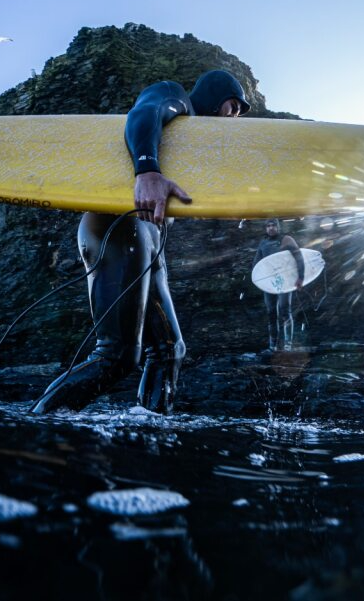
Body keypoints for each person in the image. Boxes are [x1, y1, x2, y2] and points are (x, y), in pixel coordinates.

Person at [30, 70, 250, 414]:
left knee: (170, 350)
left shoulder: (194, 152)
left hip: (149, 242)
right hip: (119, 228)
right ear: (214, 95)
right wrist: (147, 171)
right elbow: (143, 113)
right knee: (117, 355)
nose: (234, 117)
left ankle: (151, 428)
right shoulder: (174, 96)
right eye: (233, 106)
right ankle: (37, 425)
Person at [253, 218, 304, 352]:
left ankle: (288, 346)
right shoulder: (263, 243)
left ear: (278, 227)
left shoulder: (286, 239)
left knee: (284, 310)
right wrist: (259, 280)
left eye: (273, 225)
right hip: (270, 282)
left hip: (285, 280)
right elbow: (256, 265)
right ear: (265, 228)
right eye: (268, 226)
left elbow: (299, 258)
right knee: (271, 313)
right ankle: (272, 346)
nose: (271, 228)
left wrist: (301, 277)